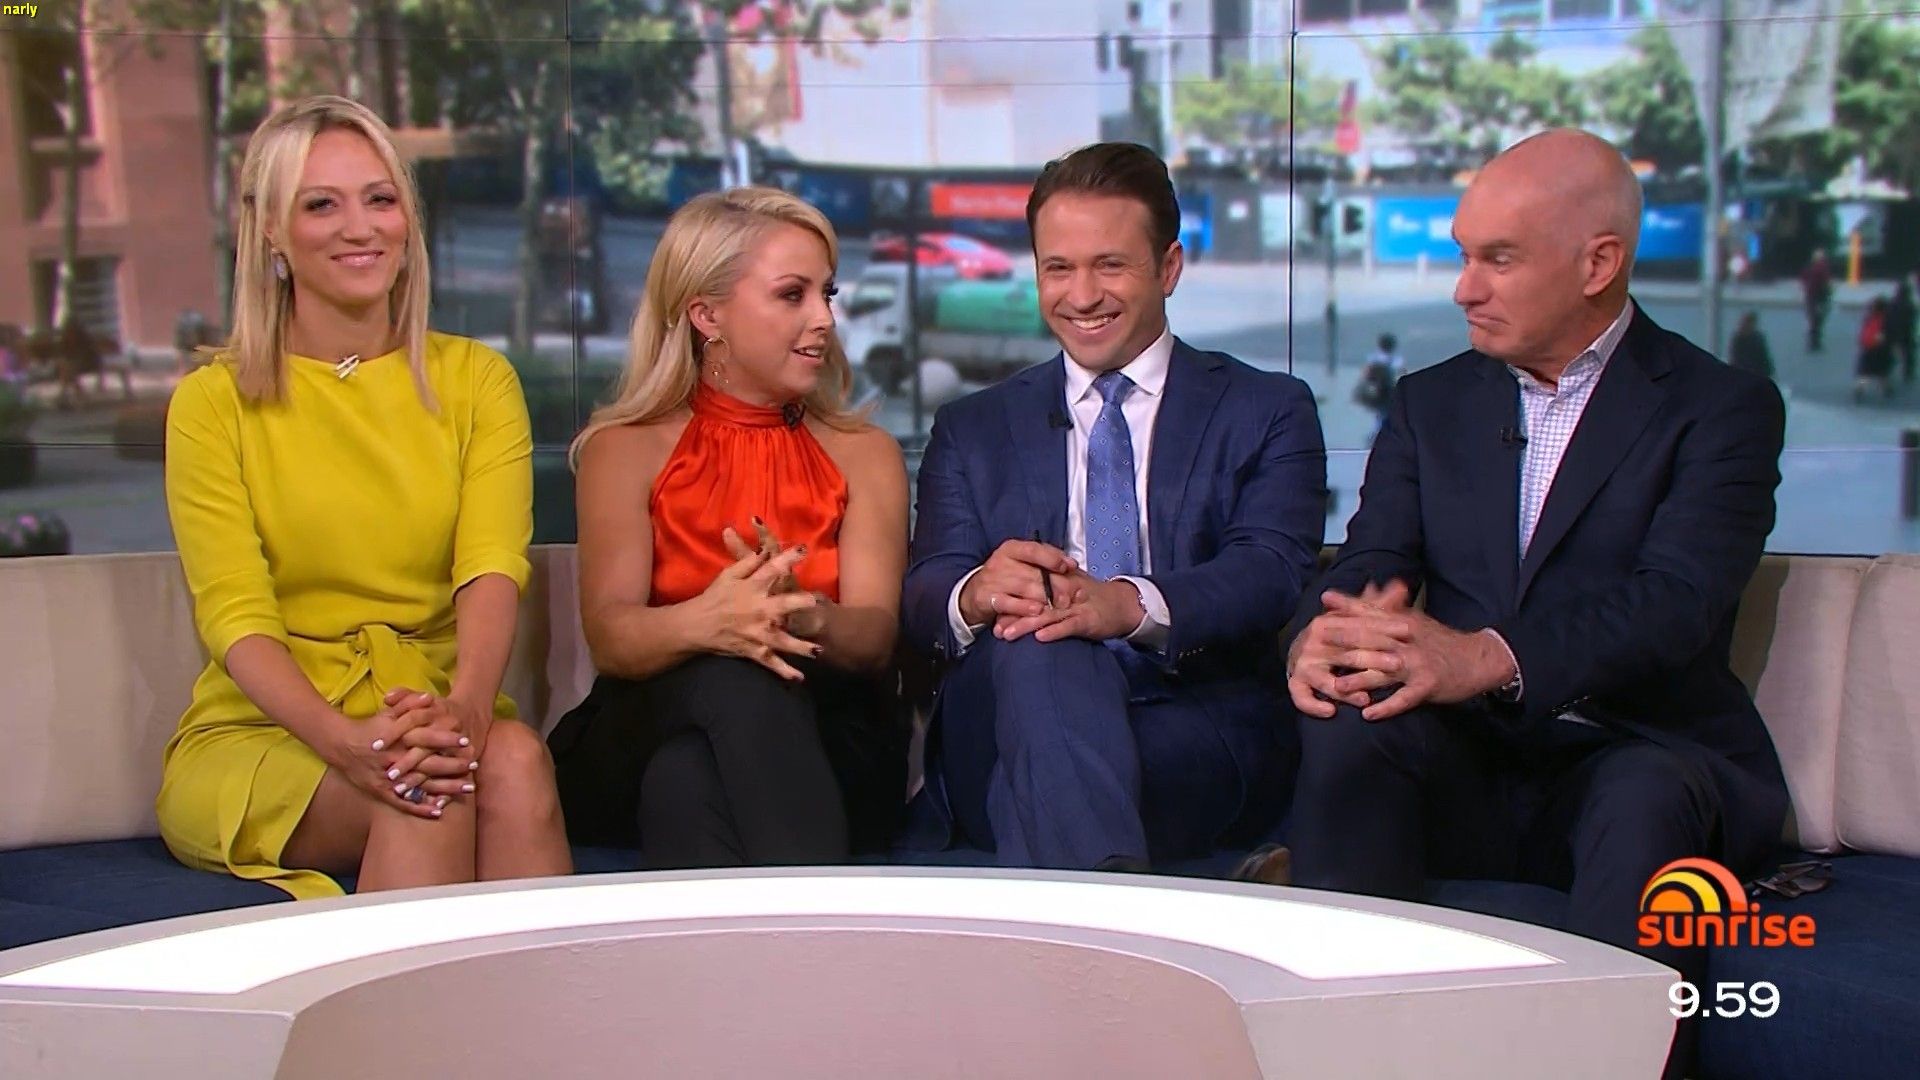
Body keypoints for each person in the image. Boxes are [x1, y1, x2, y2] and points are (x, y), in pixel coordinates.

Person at [1283, 129, 1787, 1079]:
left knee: (1642, 798)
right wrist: (1330, 630)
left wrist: (1486, 655)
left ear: (1598, 264)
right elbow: (1374, 556)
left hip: (1630, 747)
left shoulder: (1721, 408)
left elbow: (1677, 601)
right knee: (1353, 729)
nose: (1463, 289)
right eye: (1463, 255)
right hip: (1471, 757)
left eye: (1499, 260)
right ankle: (1339, 1055)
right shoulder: (1431, 402)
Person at [159, 95, 571, 897]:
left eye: (380, 199)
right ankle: (414, 992)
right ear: (271, 230)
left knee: (517, 760)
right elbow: (235, 614)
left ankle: (533, 988)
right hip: (270, 735)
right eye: (322, 205)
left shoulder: (477, 382)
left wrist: (469, 710)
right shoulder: (213, 404)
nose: (360, 228)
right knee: (429, 794)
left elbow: (490, 567)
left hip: (435, 710)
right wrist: (347, 741)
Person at [901, 142, 1327, 874]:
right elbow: (925, 590)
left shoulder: (1267, 409)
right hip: (1005, 716)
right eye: (1058, 269)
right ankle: (1178, 886)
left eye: (1109, 266)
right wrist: (978, 593)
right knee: (1042, 641)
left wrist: (1124, 606)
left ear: (1168, 267)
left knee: (1046, 774)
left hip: (1191, 720)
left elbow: (1269, 571)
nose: (1082, 296)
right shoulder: (973, 426)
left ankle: (1076, 915)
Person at [548, 187, 910, 868]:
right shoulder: (623, 449)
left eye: (826, 294)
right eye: (792, 295)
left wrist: (800, 615)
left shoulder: (866, 454)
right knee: (732, 680)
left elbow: (875, 639)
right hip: (644, 718)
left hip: (830, 734)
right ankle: (821, 924)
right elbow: (612, 637)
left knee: (684, 781)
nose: (824, 318)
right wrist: (715, 622)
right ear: (706, 314)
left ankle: (765, 937)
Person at [1355, 331, 1405, 444]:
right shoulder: (1397, 361)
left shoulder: (1373, 359)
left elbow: (1365, 376)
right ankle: (1381, 438)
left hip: (1377, 393)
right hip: (1389, 393)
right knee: (1385, 416)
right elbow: (1401, 376)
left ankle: (1376, 438)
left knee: (1380, 417)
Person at [1855, 296, 1892, 402]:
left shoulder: (1869, 318)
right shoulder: (1886, 319)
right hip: (1880, 349)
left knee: (1864, 372)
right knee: (1882, 371)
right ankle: (1886, 388)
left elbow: (1864, 331)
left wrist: (1862, 342)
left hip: (1868, 347)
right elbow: (1886, 334)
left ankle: (1860, 388)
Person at [1801, 250, 1833, 353]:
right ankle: (1815, 341)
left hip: (1811, 296)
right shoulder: (1822, 268)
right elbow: (1825, 282)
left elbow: (1804, 279)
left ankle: (1813, 341)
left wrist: (1806, 288)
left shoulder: (1809, 267)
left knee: (1813, 319)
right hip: (1820, 297)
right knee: (1818, 320)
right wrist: (1829, 292)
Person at [1728, 311, 1773, 380]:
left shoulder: (1757, 338)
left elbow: (1764, 358)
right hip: (1744, 374)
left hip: (1757, 374)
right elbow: (1737, 359)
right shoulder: (1739, 339)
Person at [1887, 280, 1916, 385]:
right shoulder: (1910, 305)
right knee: (1908, 354)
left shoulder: (1892, 303)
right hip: (1906, 333)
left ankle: (1887, 370)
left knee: (1891, 353)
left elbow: (1888, 318)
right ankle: (1908, 373)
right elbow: (1912, 320)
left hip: (1893, 332)